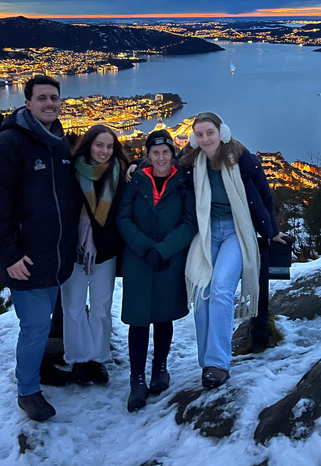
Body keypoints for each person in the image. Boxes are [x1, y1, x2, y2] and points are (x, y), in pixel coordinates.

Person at [0, 75, 78, 422]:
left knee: (45, 322)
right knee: (34, 327)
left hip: (56, 257)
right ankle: (27, 391)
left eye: (55, 97)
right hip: (26, 259)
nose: (50, 103)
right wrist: (7, 255)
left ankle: (40, 371)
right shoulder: (8, 144)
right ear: (28, 104)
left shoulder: (60, 144)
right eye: (43, 98)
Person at [180, 112, 287, 389]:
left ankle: (218, 363)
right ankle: (206, 361)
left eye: (210, 133)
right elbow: (161, 165)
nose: (205, 139)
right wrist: (135, 167)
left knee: (221, 288)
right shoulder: (192, 160)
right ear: (193, 136)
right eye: (200, 134)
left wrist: (272, 231)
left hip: (237, 232)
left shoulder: (241, 159)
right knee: (203, 290)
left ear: (222, 132)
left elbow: (263, 194)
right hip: (206, 233)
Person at [117, 130, 197, 412]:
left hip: (169, 257)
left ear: (173, 153)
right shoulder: (136, 180)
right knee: (138, 319)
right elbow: (123, 218)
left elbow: (190, 222)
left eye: (166, 152)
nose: (161, 157)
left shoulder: (185, 182)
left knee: (164, 315)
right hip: (139, 258)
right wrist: (145, 248)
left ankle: (159, 368)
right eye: (155, 152)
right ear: (147, 155)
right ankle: (136, 380)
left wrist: (162, 250)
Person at [61, 125, 128, 385]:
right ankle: (78, 360)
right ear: (88, 144)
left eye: (110, 146)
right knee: (74, 307)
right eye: (99, 145)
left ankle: (97, 359)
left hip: (106, 251)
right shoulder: (69, 172)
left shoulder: (119, 174)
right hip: (75, 250)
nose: (105, 151)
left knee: (101, 307)